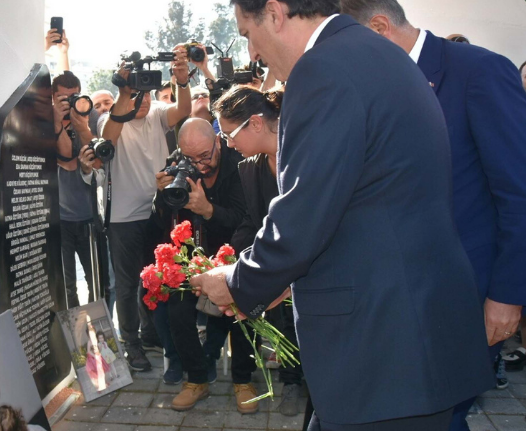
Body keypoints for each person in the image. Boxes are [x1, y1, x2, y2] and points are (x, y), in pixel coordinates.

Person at [190, 1, 493, 430]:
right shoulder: (379, 52)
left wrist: (238, 282)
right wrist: (279, 281)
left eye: (246, 33)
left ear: (275, 13)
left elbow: (304, 213)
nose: (253, 53)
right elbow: (364, 201)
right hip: (412, 338)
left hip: (382, 352)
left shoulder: (321, 71)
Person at [339, 1, 526, 428]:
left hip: (466, 295)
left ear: (380, 27)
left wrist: (507, 295)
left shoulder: (478, 72)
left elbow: (518, 191)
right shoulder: (370, 84)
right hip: (399, 295)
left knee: (443, 412)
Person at [212, 85, 304, 417]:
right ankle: (292, 382)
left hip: (313, 266)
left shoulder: (305, 153)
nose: (228, 143)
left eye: (229, 134)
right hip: (274, 267)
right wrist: (229, 257)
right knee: (281, 322)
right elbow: (254, 219)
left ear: (255, 122)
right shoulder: (248, 168)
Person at [99, 43, 192, 372]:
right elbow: (108, 138)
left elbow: (183, 111)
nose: (143, 100)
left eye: (147, 92)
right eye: (136, 92)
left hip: (157, 212)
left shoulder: (156, 115)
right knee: (126, 285)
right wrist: (124, 93)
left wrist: (181, 80)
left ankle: (151, 331)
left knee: (157, 278)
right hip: (123, 218)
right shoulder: (111, 121)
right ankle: (131, 343)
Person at [151, 118, 250, 412]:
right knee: (177, 311)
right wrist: (161, 194)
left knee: (242, 311)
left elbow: (245, 220)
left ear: (218, 141)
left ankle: (243, 380)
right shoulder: (179, 165)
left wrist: (208, 210)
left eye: (205, 156)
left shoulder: (239, 164)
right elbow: (160, 222)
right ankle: (196, 379)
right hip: (194, 258)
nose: (200, 165)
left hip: (235, 255)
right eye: (191, 158)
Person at [51, 71, 109, 308]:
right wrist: (57, 121)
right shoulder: (47, 119)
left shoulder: (90, 115)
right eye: (62, 98)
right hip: (59, 218)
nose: (68, 102)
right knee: (66, 286)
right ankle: (74, 339)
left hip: (89, 215)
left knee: (98, 281)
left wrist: (79, 123)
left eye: (72, 96)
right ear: (53, 98)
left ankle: (103, 337)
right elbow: (67, 157)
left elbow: (94, 159)